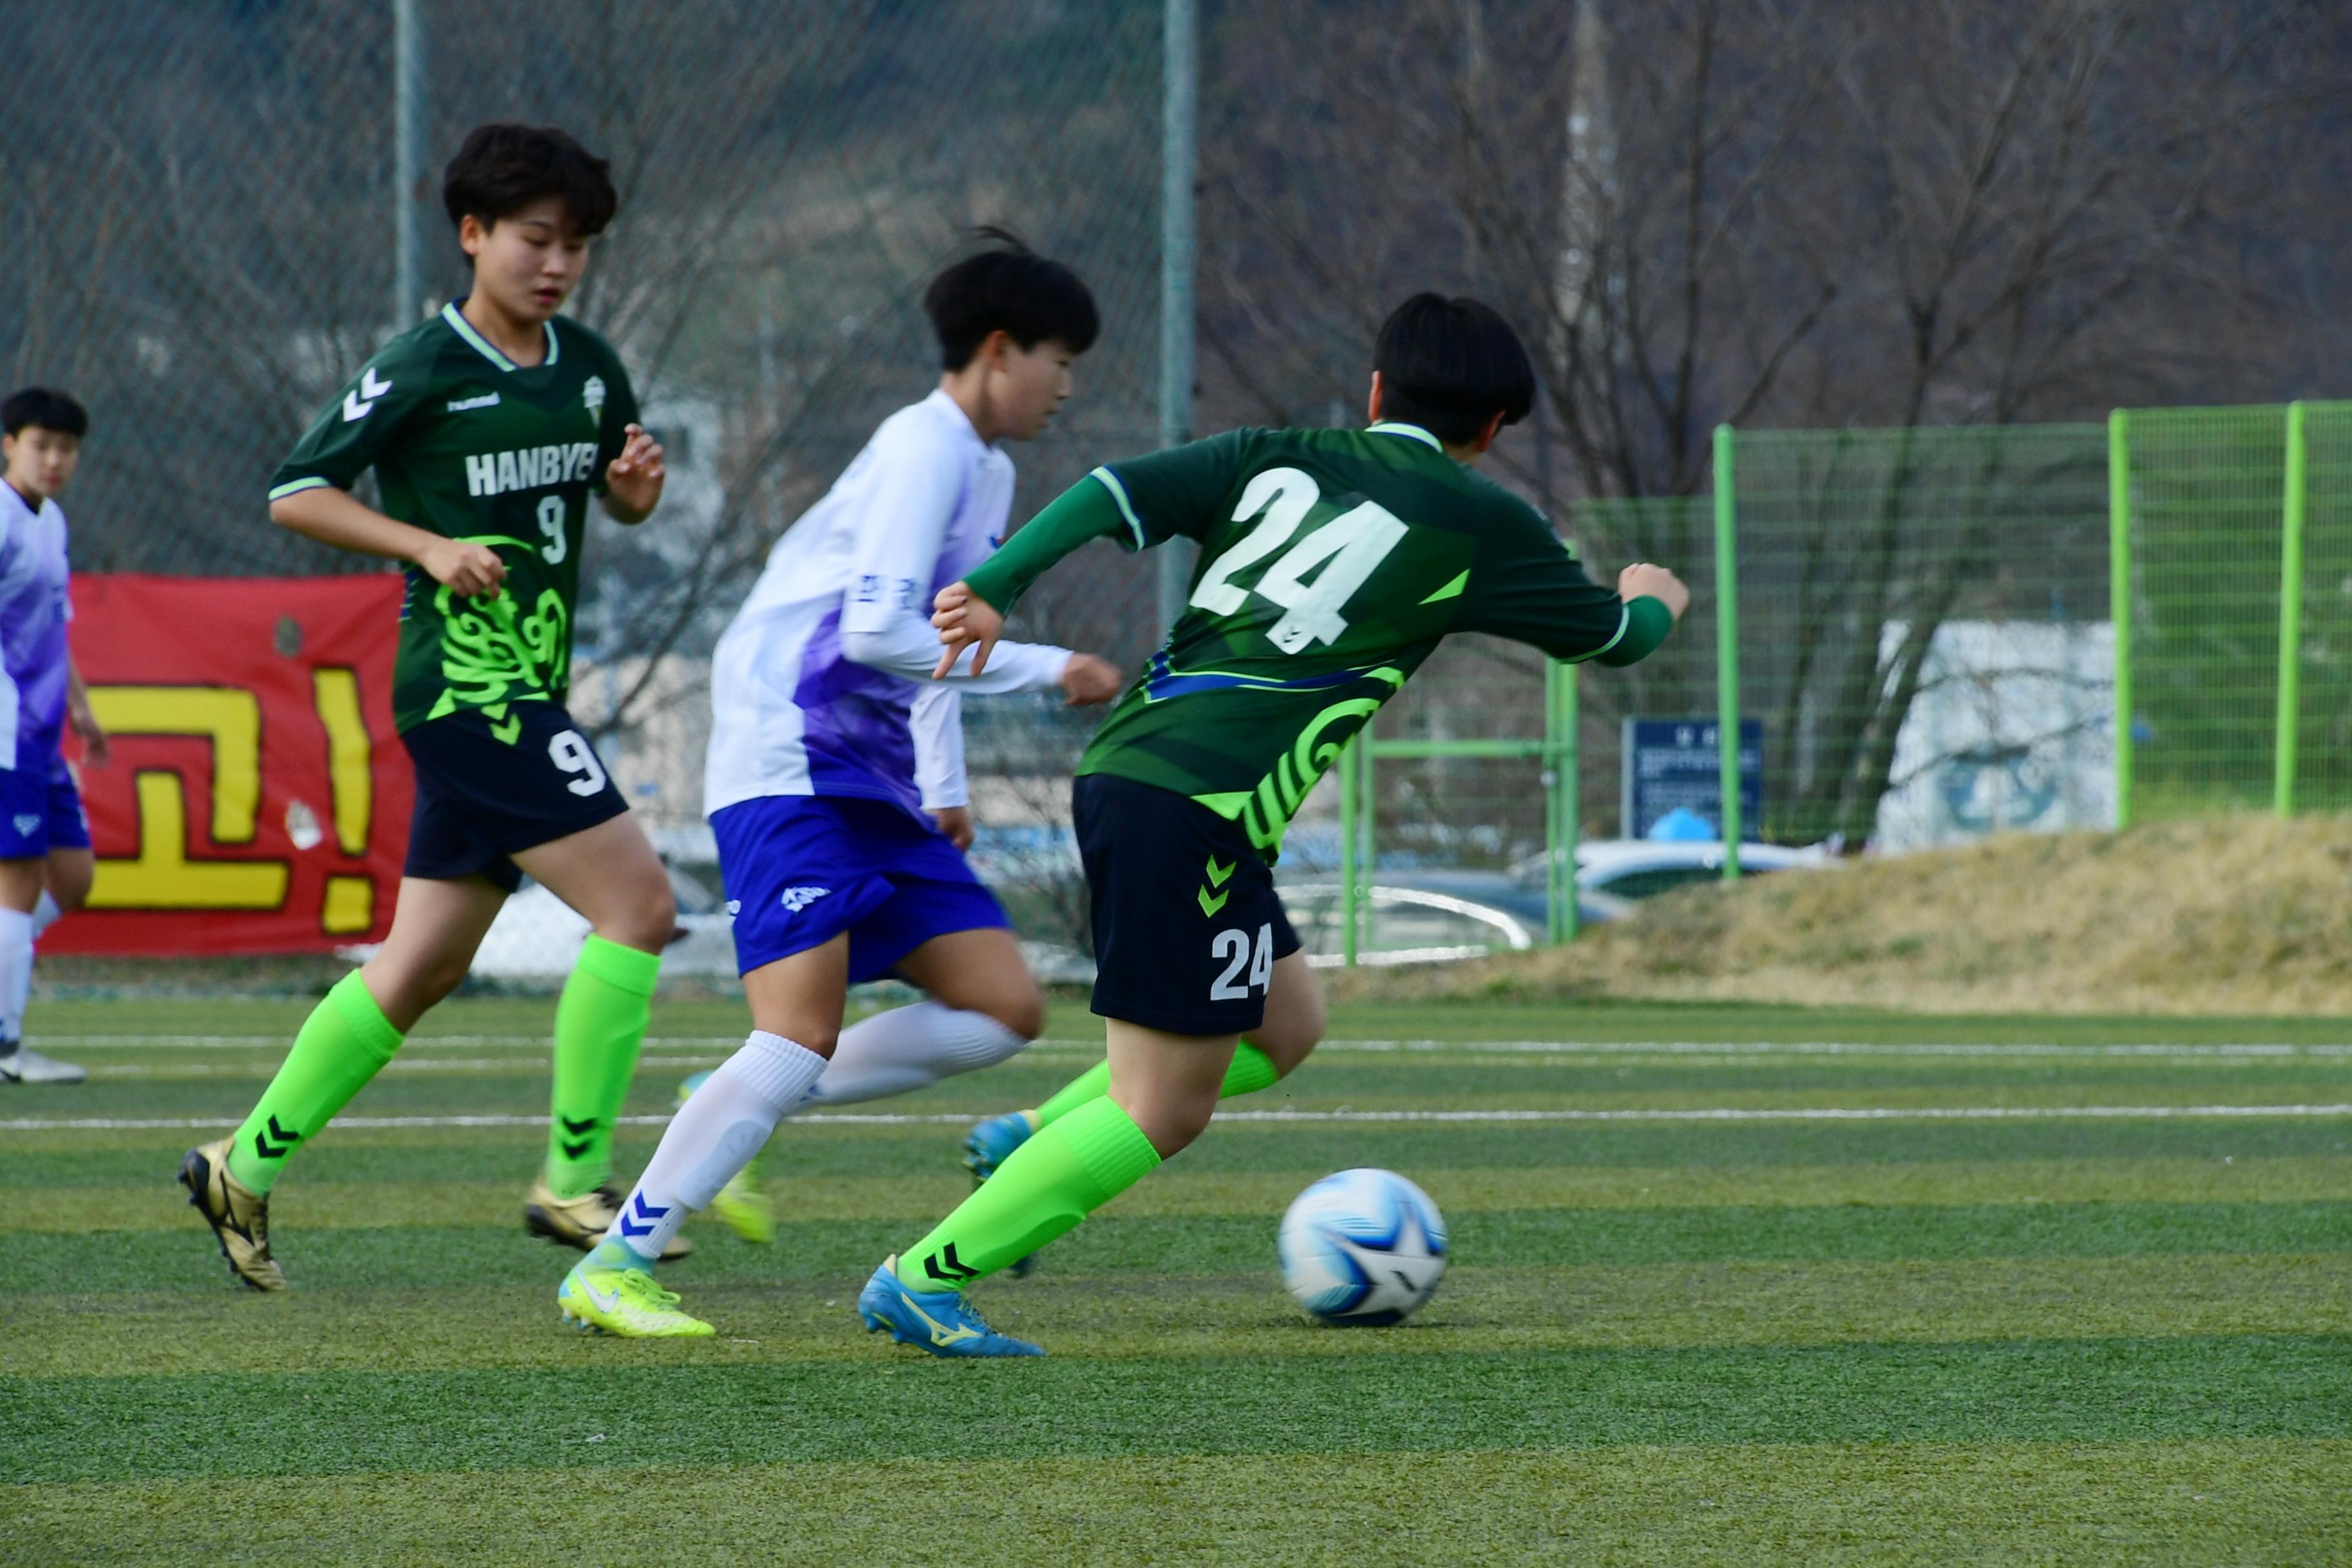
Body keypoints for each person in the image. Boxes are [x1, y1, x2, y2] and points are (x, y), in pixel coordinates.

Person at [859, 292, 1691, 1355]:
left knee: (1283, 1021)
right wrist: (1652, 592)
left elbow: (1111, 492)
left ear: (1376, 392)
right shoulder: (1479, 521)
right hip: (1195, 807)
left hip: (1141, 770)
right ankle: (926, 1277)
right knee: (1163, 1107)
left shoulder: (1269, 452)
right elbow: (1615, 640)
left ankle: (1024, 1136)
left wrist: (992, 585)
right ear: (1489, 433)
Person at [553, 234, 1124, 1337]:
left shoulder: (987, 466)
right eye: (1058, 359)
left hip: (871, 774)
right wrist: (1048, 667)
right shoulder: (924, 446)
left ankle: (733, 1106)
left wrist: (941, 778)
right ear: (998, 351)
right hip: (790, 753)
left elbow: (937, 625)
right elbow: (873, 628)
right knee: (794, 1035)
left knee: (1003, 1004)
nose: (1066, 385)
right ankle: (615, 1260)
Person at [181, 124, 672, 1291]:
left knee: (416, 970)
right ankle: (573, 1180)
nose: (555, 264)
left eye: (576, 246)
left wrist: (637, 496)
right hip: (468, 692)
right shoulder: (422, 364)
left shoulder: (589, 364)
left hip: (526, 684)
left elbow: (617, 494)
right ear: (472, 235)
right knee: (642, 906)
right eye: (532, 238)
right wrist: (426, 544)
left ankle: (239, 1166)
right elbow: (297, 491)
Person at [0, 387, 110, 1085]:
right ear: (9, 443)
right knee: (16, 884)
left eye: (66, 448)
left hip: (41, 733)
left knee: (72, 876)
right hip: (5, 732)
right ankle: (6, 1045)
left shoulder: (53, 522)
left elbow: (53, 626)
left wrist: (82, 709)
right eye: (41, 444)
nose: (54, 458)